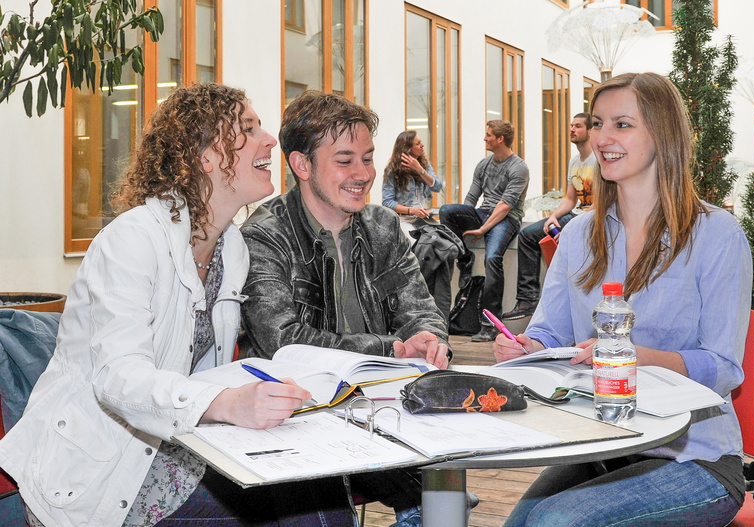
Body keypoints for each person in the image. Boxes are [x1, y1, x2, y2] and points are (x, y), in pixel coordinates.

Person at [0, 83, 359, 527]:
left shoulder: (231, 247)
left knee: (317, 488)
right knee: (307, 509)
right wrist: (226, 403)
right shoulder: (132, 239)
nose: (269, 139)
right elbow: (119, 378)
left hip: (172, 451)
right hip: (100, 479)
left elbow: (205, 370)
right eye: (248, 128)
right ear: (206, 157)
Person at [495, 72, 752, 527]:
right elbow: (549, 330)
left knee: (556, 522)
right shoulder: (578, 233)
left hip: (695, 459)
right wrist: (527, 348)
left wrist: (632, 356)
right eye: (596, 124)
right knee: (523, 523)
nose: (602, 138)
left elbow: (724, 368)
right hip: (602, 444)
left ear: (662, 132)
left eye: (622, 124)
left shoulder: (716, 234)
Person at [239, 90, 454, 527]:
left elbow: (420, 308)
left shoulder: (383, 225)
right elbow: (282, 340)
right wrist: (390, 348)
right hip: (300, 415)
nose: (364, 174)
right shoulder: (265, 235)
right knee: (434, 497)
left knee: (445, 489)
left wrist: (430, 338)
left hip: (384, 405)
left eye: (368, 158)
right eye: (345, 160)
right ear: (301, 165)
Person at [440, 119, 529, 342]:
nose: (485, 138)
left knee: (492, 258)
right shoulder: (484, 164)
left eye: (489, 135)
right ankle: (464, 259)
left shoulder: (518, 167)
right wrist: (467, 221)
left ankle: (490, 324)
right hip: (483, 213)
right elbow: (471, 198)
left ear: (500, 139)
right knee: (448, 211)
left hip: (507, 218)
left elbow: (505, 206)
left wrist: (481, 230)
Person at [503, 113, 596, 320]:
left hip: (593, 217)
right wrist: (554, 216)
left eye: (578, 126)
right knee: (528, 235)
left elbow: (602, 203)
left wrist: (575, 225)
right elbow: (570, 199)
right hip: (576, 214)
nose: (572, 129)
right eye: (571, 125)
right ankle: (528, 299)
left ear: (590, 131)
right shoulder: (574, 162)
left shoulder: (598, 159)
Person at [382, 130, 463, 320]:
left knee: (443, 244)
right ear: (407, 147)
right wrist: (411, 211)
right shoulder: (392, 171)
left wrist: (420, 169)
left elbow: (437, 186)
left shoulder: (424, 165)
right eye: (418, 143)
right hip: (404, 218)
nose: (422, 146)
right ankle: (413, 292)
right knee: (414, 248)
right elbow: (387, 203)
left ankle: (436, 299)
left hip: (424, 217)